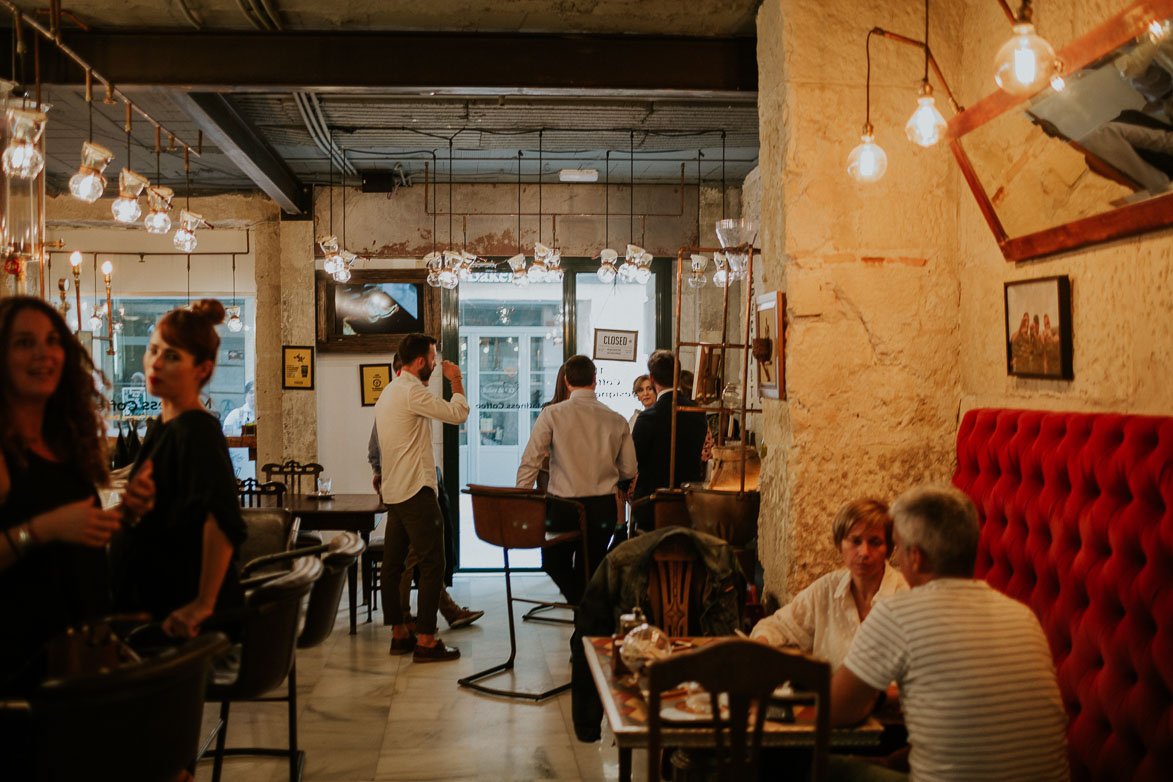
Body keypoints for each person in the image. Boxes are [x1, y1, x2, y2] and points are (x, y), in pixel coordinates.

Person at [830, 485, 1069, 781]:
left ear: (916, 557)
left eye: (898, 548)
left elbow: (835, 711)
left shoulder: (898, 613)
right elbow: (978, 733)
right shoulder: (1022, 615)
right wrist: (891, 762)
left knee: (811, 766)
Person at [0, 296, 154, 695]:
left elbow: (77, 534)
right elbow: (54, 527)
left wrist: (128, 514)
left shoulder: (65, 441)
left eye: (53, 340)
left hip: (78, 652)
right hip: (19, 663)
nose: (43, 353)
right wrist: (41, 529)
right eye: (24, 343)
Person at [111, 299, 246, 639]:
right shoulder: (163, 425)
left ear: (202, 369)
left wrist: (201, 605)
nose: (155, 362)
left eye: (172, 356)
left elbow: (222, 521)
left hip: (178, 619)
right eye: (153, 349)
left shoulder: (197, 431)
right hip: (148, 604)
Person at [368, 356, 482, 631]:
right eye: (431, 359)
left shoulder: (387, 395)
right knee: (428, 562)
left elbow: (376, 447)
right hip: (415, 489)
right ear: (416, 363)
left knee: (402, 562)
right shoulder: (411, 393)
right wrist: (456, 379)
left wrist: (380, 473)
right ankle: (424, 636)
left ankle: (403, 630)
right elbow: (458, 414)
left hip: (398, 489)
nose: (434, 363)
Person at [516, 354, 637, 604]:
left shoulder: (551, 414)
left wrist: (521, 497)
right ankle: (588, 617)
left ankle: (583, 613)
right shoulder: (617, 419)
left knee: (552, 562)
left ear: (567, 381)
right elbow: (629, 469)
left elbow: (532, 460)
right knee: (591, 569)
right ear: (595, 380)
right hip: (603, 507)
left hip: (564, 507)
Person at [751, 498, 906, 671]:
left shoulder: (906, 596)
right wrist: (760, 646)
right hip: (830, 697)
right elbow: (776, 626)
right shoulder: (827, 589)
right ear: (840, 545)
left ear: (889, 548)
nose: (864, 552)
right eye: (855, 541)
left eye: (875, 542)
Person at [630, 349, 708, 531]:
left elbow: (634, 459)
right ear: (678, 375)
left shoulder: (648, 417)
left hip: (652, 506)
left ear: (652, 378)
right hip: (688, 502)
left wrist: (623, 483)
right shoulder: (697, 411)